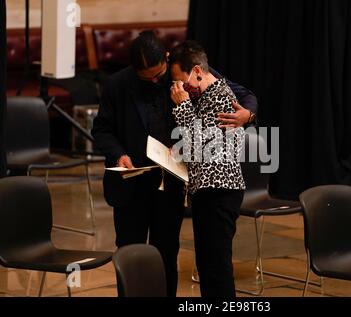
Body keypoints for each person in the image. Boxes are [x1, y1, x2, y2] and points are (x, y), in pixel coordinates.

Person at [91, 30, 258, 297]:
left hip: (169, 183)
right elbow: (102, 130)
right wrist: (117, 154)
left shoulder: (187, 74)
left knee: (167, 254)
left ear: (166, 60)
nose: (155, 81)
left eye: (159, 75)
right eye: (146, 78)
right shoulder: (117, 85)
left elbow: (242, 94)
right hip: (130, 182)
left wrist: (248, 115)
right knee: (129, 253)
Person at [169, 41, 245, 297]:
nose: (182, 88)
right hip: (207, 191)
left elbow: (199, 148)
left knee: (217, 268)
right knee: (207, 266)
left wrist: (181, 106)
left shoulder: (221, 98)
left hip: (220, 191)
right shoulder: (205, 96)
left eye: (183, 81)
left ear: (198, 70)